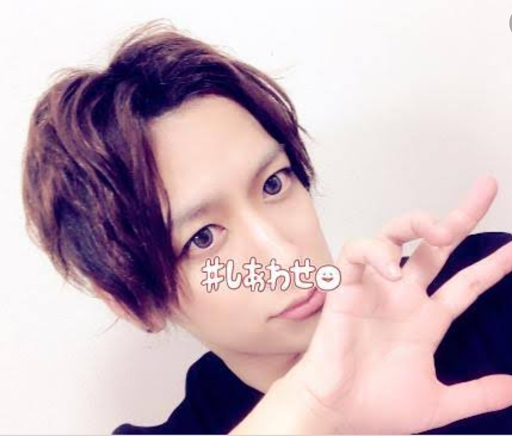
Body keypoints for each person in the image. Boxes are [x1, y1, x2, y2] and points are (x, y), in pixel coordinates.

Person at [21, 19, 512, 435]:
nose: (284, 256)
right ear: (135, 302)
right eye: (202, 238)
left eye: (274, 184)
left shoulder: (485, 288)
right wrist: (309, 414)